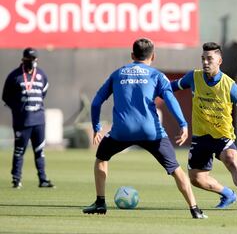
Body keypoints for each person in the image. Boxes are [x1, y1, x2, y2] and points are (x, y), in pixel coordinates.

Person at [82, 38, 207, 219]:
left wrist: (96, 127)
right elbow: (170, 100)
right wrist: (183, 124)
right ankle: (195, 209)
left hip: (121, 132)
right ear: (153, 56)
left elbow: (96, 102)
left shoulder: (117, 74)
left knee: (101, 158)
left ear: (132, 55)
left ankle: (100, 202)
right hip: (151, 132)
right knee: (176, 169)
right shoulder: (156, 75)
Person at [171, 42, 237, 210]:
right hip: (201, 136)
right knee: (196, 179)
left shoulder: (229, 85)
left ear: (219, 61)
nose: (205, 62)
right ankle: (227, 194)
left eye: (209, 59)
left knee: (231, 159)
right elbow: (170, 87)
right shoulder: (193, 77)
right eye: (203, 59)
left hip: (222, 135)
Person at [2, 47, 55, 188]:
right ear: (23, 60)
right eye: (28, 59)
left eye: (33, 59)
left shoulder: (41, 75)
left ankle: (43, 179)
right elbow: (5, 96)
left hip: (39, 120)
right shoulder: (14, 76)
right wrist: (18, 109)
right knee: (19, 151)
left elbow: (43, 92)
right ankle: (16, 179)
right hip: (22, 121)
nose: (31, 62)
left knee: (40, 151)